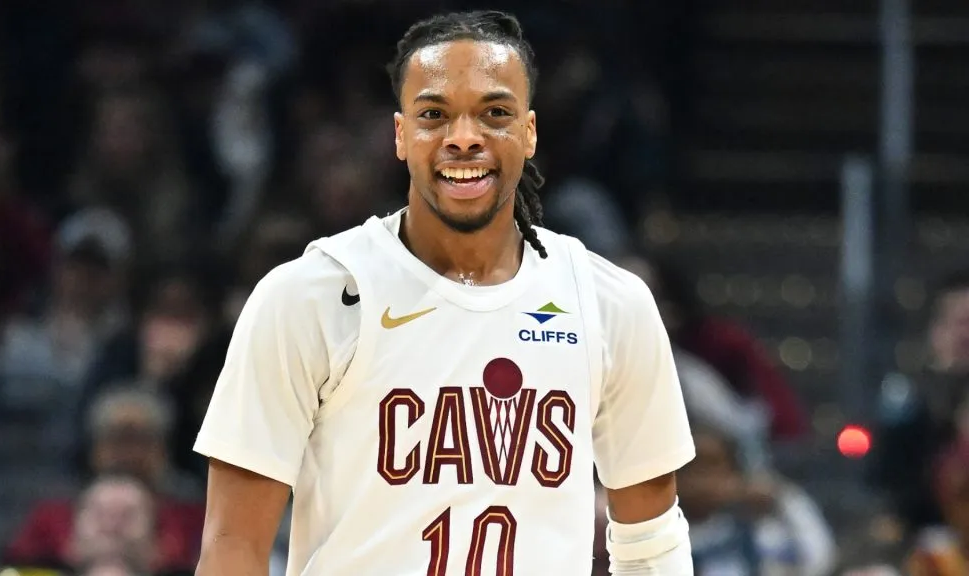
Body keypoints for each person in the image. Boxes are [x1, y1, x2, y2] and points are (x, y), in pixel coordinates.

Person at [194, 10, 695, 576]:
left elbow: (651, 539)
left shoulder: (609, 302)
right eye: (434, 115)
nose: (463, 138)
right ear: (401, 135)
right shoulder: (308, 296)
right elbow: (233, 543)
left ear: (528, 133)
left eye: (494, 114)